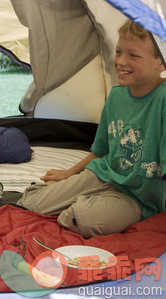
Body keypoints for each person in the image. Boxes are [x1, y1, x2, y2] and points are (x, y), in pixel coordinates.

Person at [16, 20, 166, 238]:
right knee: (30, 203)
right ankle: (81, 200)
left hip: (137, 197)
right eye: (118, 52)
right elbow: (100, 151)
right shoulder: (116, 96)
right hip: (103, 175)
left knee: (77, 219)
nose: (121, 61)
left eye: (133, 56)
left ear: (160, 62)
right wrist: (68, 174)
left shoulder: (162, 99)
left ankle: (84, 206)